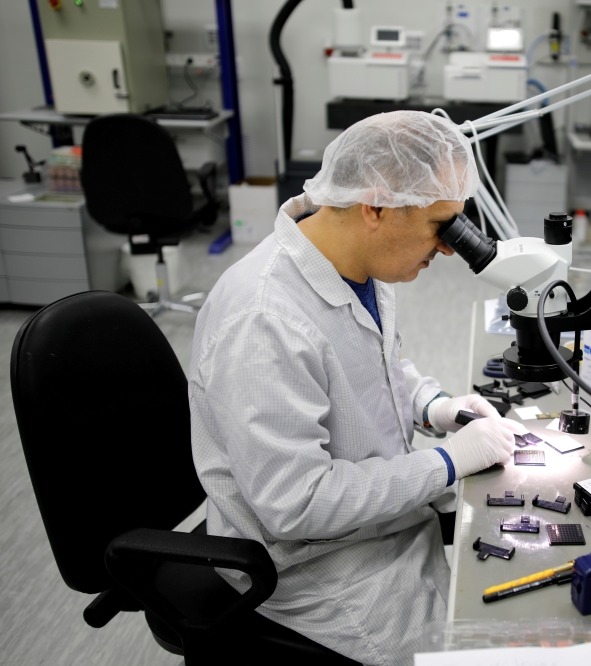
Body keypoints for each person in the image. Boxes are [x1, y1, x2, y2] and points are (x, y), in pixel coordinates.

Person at [189, 111, 522, 664]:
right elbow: (296, 507)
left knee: (493, 597)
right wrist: (445, 462)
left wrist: (434, 406)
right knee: (479, 649)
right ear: (375, 207)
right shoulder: (263, 320)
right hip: (308, 565)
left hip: (377, 522)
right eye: (441, 227)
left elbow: (375, 359)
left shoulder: (352, 260)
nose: (447, 249)